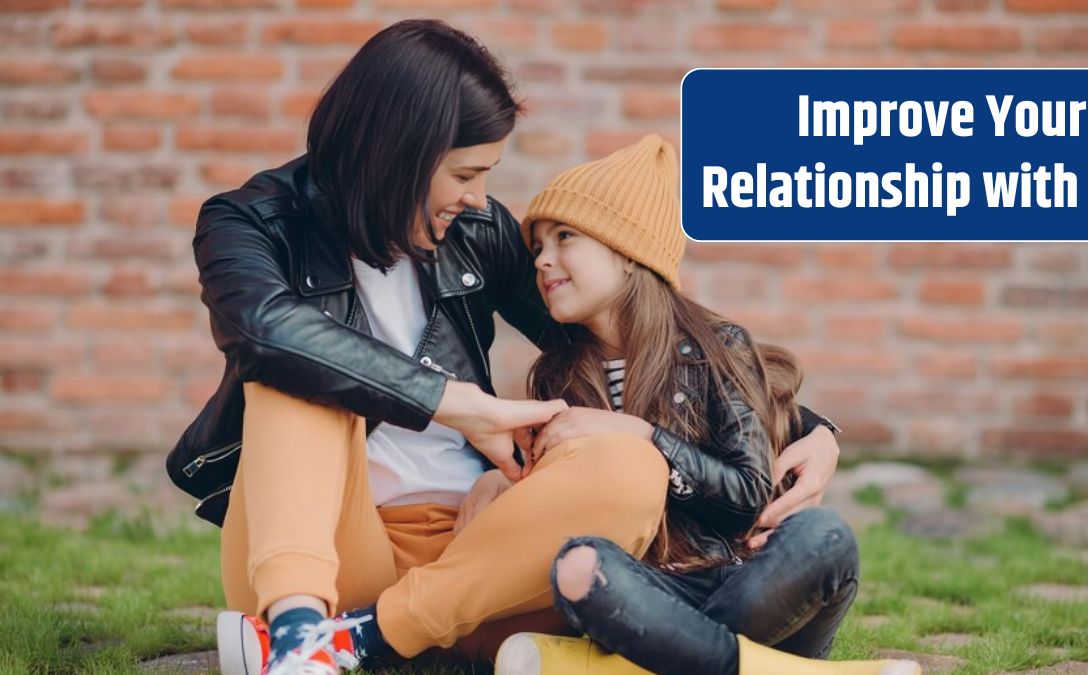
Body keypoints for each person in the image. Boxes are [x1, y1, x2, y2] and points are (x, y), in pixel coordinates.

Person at [163, 19, 844, 675]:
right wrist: (453, 403)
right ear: (400, 155)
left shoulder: (474, 233)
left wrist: (808, 428)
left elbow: (622, 336)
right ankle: (299, 628)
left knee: (633, 466)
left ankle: (358, 640)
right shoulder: (251, 222)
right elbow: (264, 332)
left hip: (481, 553)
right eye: (465, 174)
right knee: (291, 374)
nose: (480, 197)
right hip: (327, 552)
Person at [455, 135, 916, 675]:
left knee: (825, 536)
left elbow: (747, 495)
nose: (543, 261)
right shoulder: (558, 374)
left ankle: (648, 663)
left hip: (744, 581)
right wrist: (502, 481)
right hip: (651, 589)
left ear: (626, 252)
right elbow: (560, 496)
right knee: (579, 565)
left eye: (564, 237)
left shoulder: (718, 350)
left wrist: (642, 435)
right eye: (537, 247)